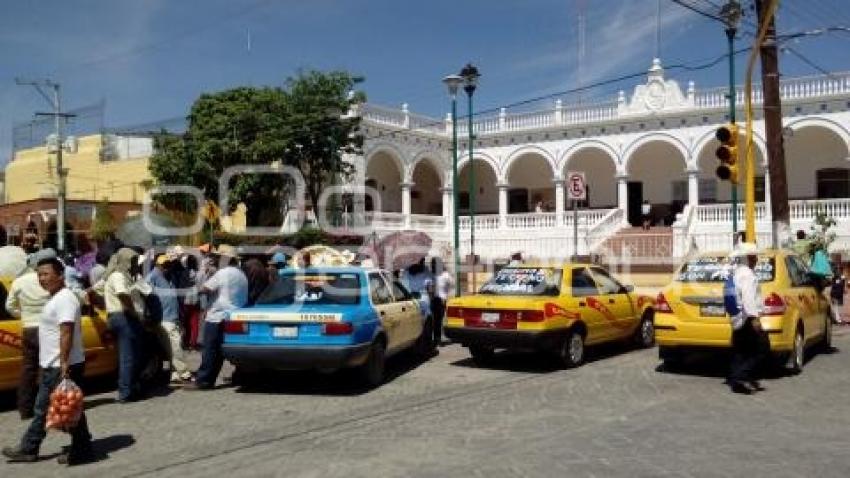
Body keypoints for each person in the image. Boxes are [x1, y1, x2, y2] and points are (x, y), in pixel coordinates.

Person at [2, 257, 93, 465]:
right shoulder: (55, 297)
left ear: (60, 276)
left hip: (60, 364)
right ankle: (82, 448)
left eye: (46, 274)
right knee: (68, 405)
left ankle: (29, 448)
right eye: (39, 275)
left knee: (44, 407)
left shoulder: (64, 299)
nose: (42, 279)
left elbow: (66, 331)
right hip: (53, 363)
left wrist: (63, 363)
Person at [185, 245, 248, 391]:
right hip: (234, 315)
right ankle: (233, 376)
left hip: (217, 316)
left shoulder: (223, 273)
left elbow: (205, 289)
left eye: (218, 257)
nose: (215, 259)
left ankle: (204, 380)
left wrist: (201, 279)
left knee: (210, 350)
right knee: (222, 350)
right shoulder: (241, 274)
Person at [5, 249, 54, 419]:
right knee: (49, 368)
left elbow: (9, 306)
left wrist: (23, 315)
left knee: (28, 370)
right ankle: (48, 406)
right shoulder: (49, 279)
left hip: (28, 328)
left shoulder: (19, 282)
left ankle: (25, 409)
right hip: (48, 328)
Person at [101, 248, 146, 402]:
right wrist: (133, 312)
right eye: (132, 260)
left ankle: (130, 387)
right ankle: (126, 392)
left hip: (120, 316)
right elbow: (122, 294)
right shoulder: (118, 275)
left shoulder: (118, 276)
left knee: (131, 355)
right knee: (128, 356)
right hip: (123, 316)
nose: (134, 263)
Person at [728, 242, 769, 395]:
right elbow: (748, 298)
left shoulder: (737, 272)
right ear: (748, 258)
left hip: (737, 317)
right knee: (762, 348)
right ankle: (741, 377)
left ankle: (740, 379)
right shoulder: (748, 276)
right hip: (746, 318)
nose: (756, 259)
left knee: (741, 350)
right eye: (753, 257)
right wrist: (754, 317)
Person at [147, 253, 191, 384]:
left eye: (168, 264)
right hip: (164, 318)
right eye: (165, 265)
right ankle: (184, 373)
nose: (167, 267)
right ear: (158, 265)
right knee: (175, 346)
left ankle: (175, 374)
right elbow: (145, 292)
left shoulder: (167, 277)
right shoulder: (153, 276)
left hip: (171, 317)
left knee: (173, 346)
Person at [434, 261, 454, 346]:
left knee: (437, 320)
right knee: (437, 320)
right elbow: (451, 285)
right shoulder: (445, 275)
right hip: (437, 299)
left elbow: (451, 285)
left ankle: (437, 339)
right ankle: (436, 338)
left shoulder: (444, 275)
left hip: (439, 300)